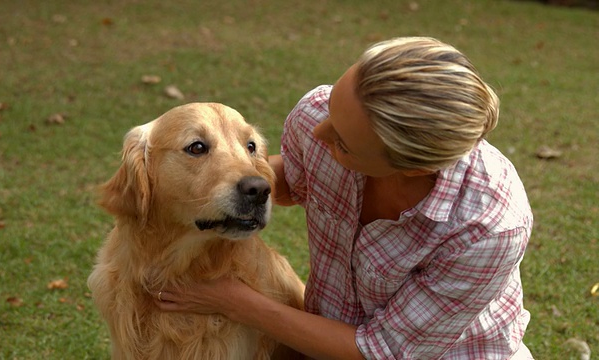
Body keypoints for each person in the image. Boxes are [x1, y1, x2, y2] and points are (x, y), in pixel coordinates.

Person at [155, 37, 534, 359]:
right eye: (333, 105)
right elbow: (293, 177)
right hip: (320, 338)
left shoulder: (489, 227)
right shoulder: (316, 117)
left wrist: (233, 301)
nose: (318, 133)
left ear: (412, 168)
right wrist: (192, 184)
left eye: (342, 143)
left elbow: (380, 351)